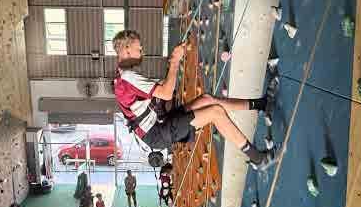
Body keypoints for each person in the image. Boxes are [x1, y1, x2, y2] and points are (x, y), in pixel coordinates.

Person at [112, 30, 278, 171]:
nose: (142, 50)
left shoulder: (122, 77)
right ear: (127, 49)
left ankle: (261, 105)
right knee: (215, 112)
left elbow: (157, 92)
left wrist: (172, 67)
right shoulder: (128, 77)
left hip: (159, 123)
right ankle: (258, 159)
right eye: (139, 47)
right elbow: (167, 94)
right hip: (157, 132)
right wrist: (175, 61)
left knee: (207, 99)